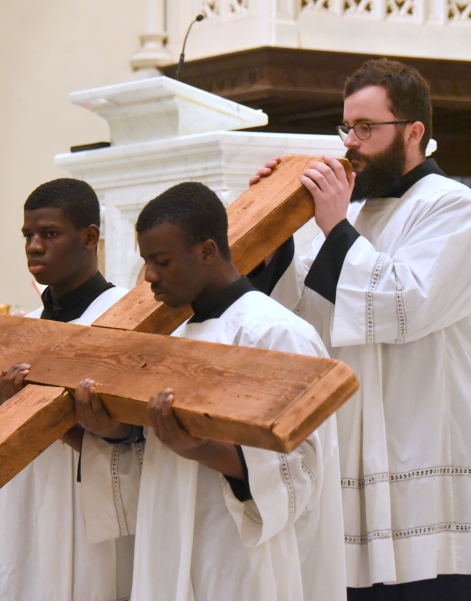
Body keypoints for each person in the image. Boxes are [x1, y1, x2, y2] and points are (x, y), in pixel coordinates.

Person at [250, 58, 471, 599]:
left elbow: (401, 306)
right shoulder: (354, 219)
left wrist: (333, 223)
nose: (351, 144)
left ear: (413, 132)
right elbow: (304, 320)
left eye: (367, 128)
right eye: (347, 127)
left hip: (434, 467)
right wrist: (278, 226)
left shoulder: (457, 211)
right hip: (363, 461)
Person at [75, 182, 346, 601]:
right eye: (146, 261)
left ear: (206, 251)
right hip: (167, 548)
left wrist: (201, 448)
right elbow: (154, 462)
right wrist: (112, 433)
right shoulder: (171, 339)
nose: (149, 276)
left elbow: (302, 471)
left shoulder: (276, 333)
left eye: (161, 261)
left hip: (240, 558)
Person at [0, 178, 134, 601]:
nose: (34, 246)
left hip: (88, 524)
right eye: (28, 236)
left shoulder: (127, 322)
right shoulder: (18, 330)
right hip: (21, 520)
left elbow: (139, 444)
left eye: (49, 234)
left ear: (90, 238)